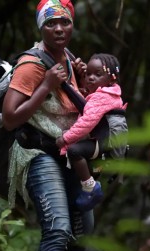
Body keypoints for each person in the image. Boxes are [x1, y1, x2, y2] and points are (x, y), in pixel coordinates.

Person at [2, 0, 103, 251]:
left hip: (69, 153)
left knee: (84, 230)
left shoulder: (69, 58)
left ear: (72, 24)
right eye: (50, 23)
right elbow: (9, 118)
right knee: (58, 229)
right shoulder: (31, 65)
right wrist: (45, 84)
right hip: (39, 154)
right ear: (41, 28)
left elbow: (74, 109)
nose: (59, 29)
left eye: (65, 22)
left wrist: (80, 81)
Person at [55, 53, 126, 211]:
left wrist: (65, 138)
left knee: (74, 151)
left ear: (112, 78)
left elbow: (86, 123)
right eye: (88, 74)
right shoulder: (109, 94)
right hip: (106, 143)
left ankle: (90, 188)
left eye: (98, 74)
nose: (90, 78)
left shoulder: (102, 98)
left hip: (103, 143)